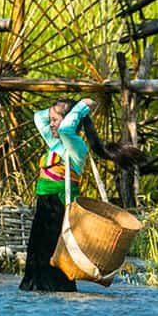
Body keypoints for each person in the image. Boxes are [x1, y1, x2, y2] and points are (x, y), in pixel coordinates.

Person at [19, 97, 141, 292]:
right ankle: (35, 288)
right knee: (37, 250)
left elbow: (66, 128)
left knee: (55, 252)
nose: (50, 124)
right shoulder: (54, 142)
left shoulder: (74, 145)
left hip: (60, 205)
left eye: (55, 120)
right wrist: (60, 111)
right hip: (44, 205)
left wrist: (82, 107)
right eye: (50, 120)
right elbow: (37, 117)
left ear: (69, 121)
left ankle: (55, 290)